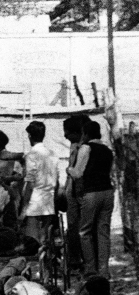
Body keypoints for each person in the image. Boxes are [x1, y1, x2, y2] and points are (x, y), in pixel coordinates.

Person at [68, 120, 114, 278]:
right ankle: (104, 269)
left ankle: (90, 268)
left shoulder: (86, 148)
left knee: (85, 232)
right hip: (108, 192)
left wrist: (69, 169)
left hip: (91, 193)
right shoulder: (107, 150)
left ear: (85, 134)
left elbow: (78, 173)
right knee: (103, 232)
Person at [20, 120, 58, 245]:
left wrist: (24, 207)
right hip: (49, 199)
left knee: (32, 240)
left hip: (35, 200)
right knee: (45, 239)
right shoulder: (52, 154)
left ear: (30, 136)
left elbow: (30, 182)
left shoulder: (31, 155)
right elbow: (56, 180)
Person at [61, 115, 88, 272]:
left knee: (75, 228)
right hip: (75, 192)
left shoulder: (81, 148)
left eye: (67, 132)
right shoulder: (76, 146)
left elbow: (76, 173)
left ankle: (76, 260)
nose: (65, 136)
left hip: (78, 193)